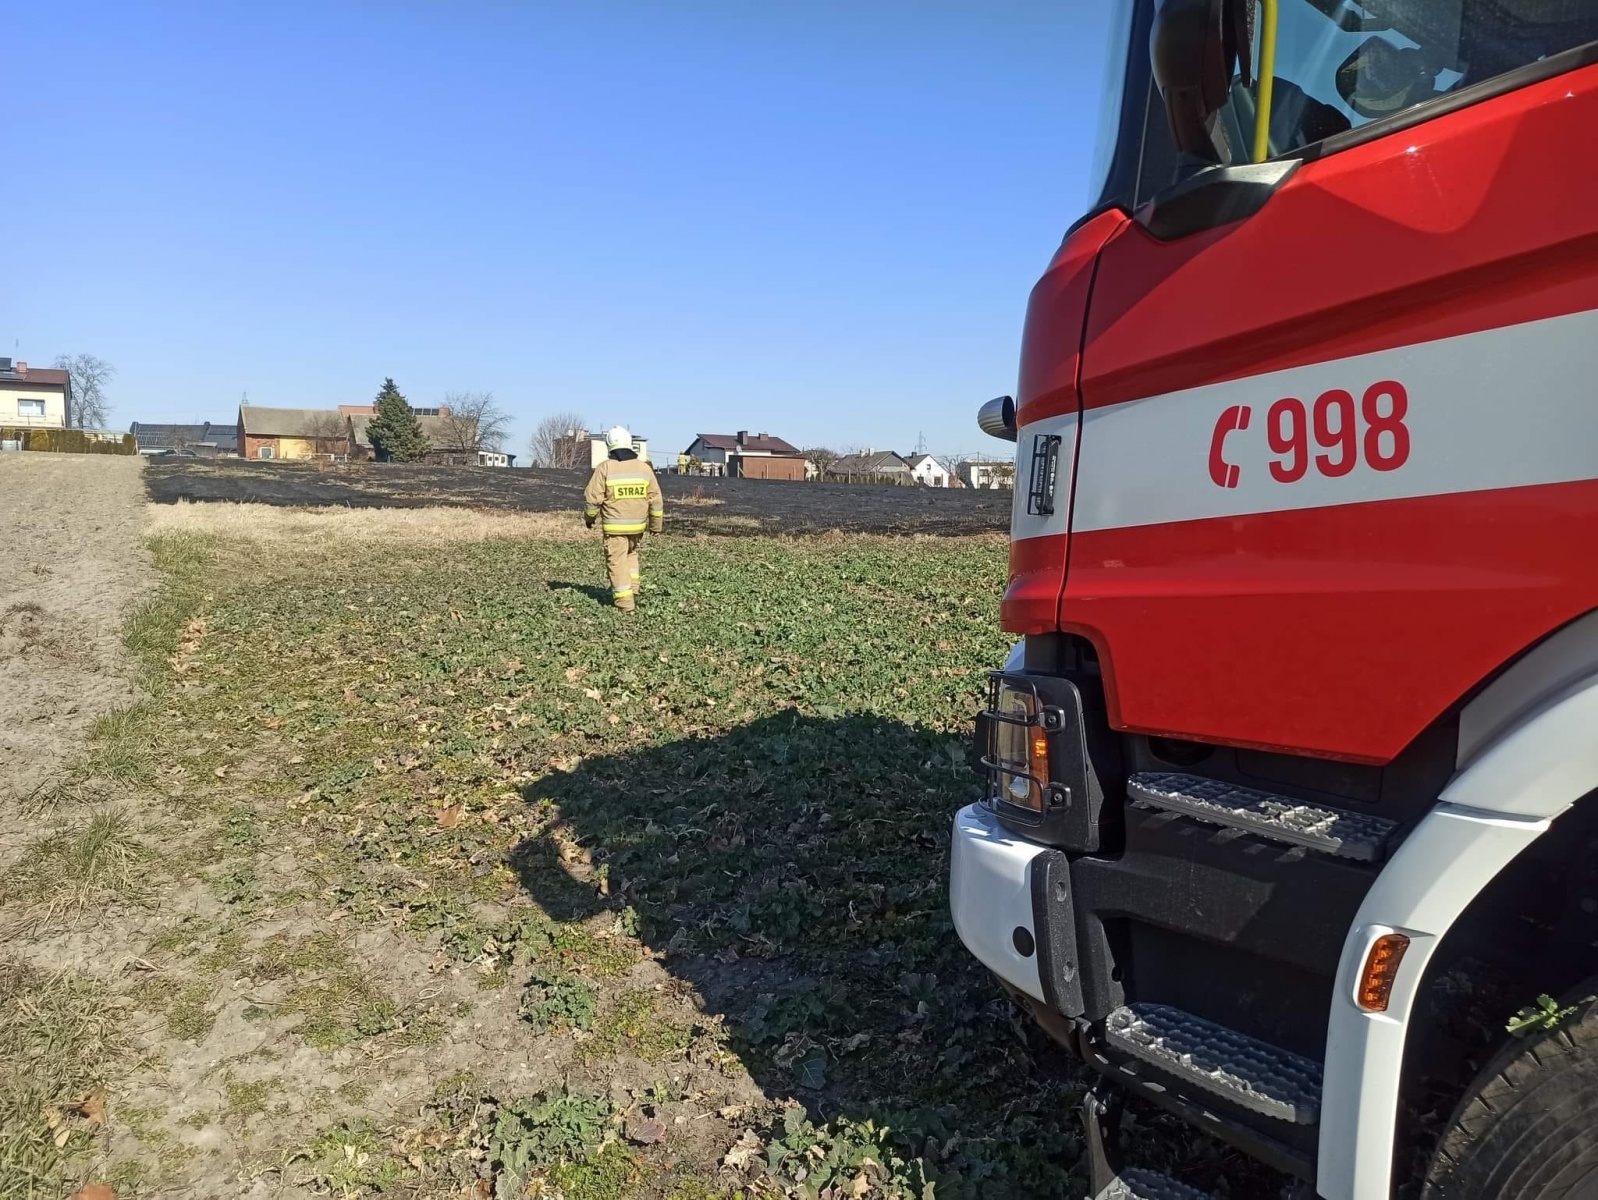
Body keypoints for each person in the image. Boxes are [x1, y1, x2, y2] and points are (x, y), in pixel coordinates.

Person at [582, 426, 663, 611]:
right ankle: (633, 590)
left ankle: (625, 603)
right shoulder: (644, 469)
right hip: (638, 528)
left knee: (617, 562)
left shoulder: (605, 468)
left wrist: (589, 518)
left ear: (609, 445)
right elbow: (656, 500)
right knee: (631, 556)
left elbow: (592, 498)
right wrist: (656, 526)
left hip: (614, 529)